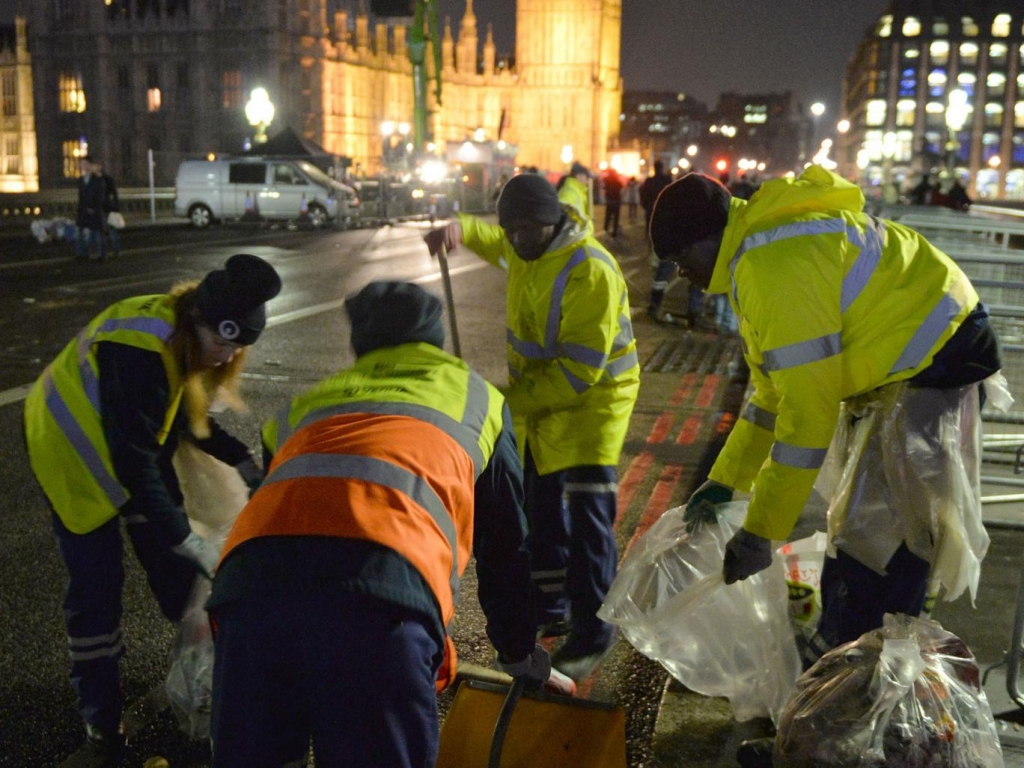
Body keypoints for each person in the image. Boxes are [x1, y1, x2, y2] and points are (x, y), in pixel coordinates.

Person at [208, 281, 573, 767]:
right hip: (379, 611)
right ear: (435, 338)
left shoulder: (304, 406)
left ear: (361, 342)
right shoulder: (476, 400)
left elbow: (282, 519)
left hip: (248, 604)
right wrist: (517, 654)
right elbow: (505, 541)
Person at [649, 166, 1000, 657]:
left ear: (708, 239)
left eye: (681, 258)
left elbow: (805, 420)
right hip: (916, 361)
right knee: (861, 539)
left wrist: (760, 532)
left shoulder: (770, 267)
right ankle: (850, 671)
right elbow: (772, 397)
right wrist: (726, 480)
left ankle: (874, 688)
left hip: (936, 363)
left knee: (882, 550)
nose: (680, 273)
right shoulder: (755, 254)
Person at [24, 254, 282, 768]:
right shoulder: (141, 346)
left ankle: (198, 675)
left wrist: (244, 461)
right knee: (97, 588)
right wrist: (186, 536)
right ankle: (100, 718)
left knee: (178, 571)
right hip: (73, 455)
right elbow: (135, 461)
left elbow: (178, 420)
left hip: (128, 442)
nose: (226, 355)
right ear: (198, 322)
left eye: (237, 347)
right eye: (222, 341)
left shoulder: (182, 336)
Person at [423, 174, 640, 681]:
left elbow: (579, 374)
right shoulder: (525, 249)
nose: (519, 240)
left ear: (552, 221)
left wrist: (502, 404)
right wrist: (458, 230)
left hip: (594, 409)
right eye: (512, 230)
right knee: (540, 513)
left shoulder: (590, 271)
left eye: (528, 230)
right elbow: (494, 240)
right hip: (540, 408)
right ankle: (552, 606)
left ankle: (592, 632)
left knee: (587, 522)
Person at [640, 161, 677, 323]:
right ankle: (656, 303)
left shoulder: (649, 182)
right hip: (665, 221)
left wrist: (648, 207)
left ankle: (653, 258)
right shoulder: (667, 181)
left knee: (654, 248)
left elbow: (643, 196)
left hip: (651, 217)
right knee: (664, 266)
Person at [76, 155, 108, 262]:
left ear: (90, 166)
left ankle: (102, 254)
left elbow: (100, 196)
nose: (83, 166)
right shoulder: (81, 180)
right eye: (82, 164)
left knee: (98, 234)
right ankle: (83, 254)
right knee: (81, 233)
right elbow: (81, 197)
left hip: (94, 211)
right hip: (83, 210)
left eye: (85, 164)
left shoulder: (97, 180)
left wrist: (93, 208)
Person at [94, 159, 122, 258]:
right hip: (99, 209)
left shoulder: (107, 179)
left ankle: (116, 251)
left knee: (111, 230)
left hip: (108, 209)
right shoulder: (93, 180)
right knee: (100, 233)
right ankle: (102, 254)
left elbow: (114, 193)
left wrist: (116, 207)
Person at [602, 169, 623, 237]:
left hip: (610, 201)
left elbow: (604, 187)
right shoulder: (616, 181)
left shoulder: (607, 180)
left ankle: (606, 228)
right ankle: (614, 231)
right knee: (616, 217)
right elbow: (621, 186)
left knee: (608, 215)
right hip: (616, 201)